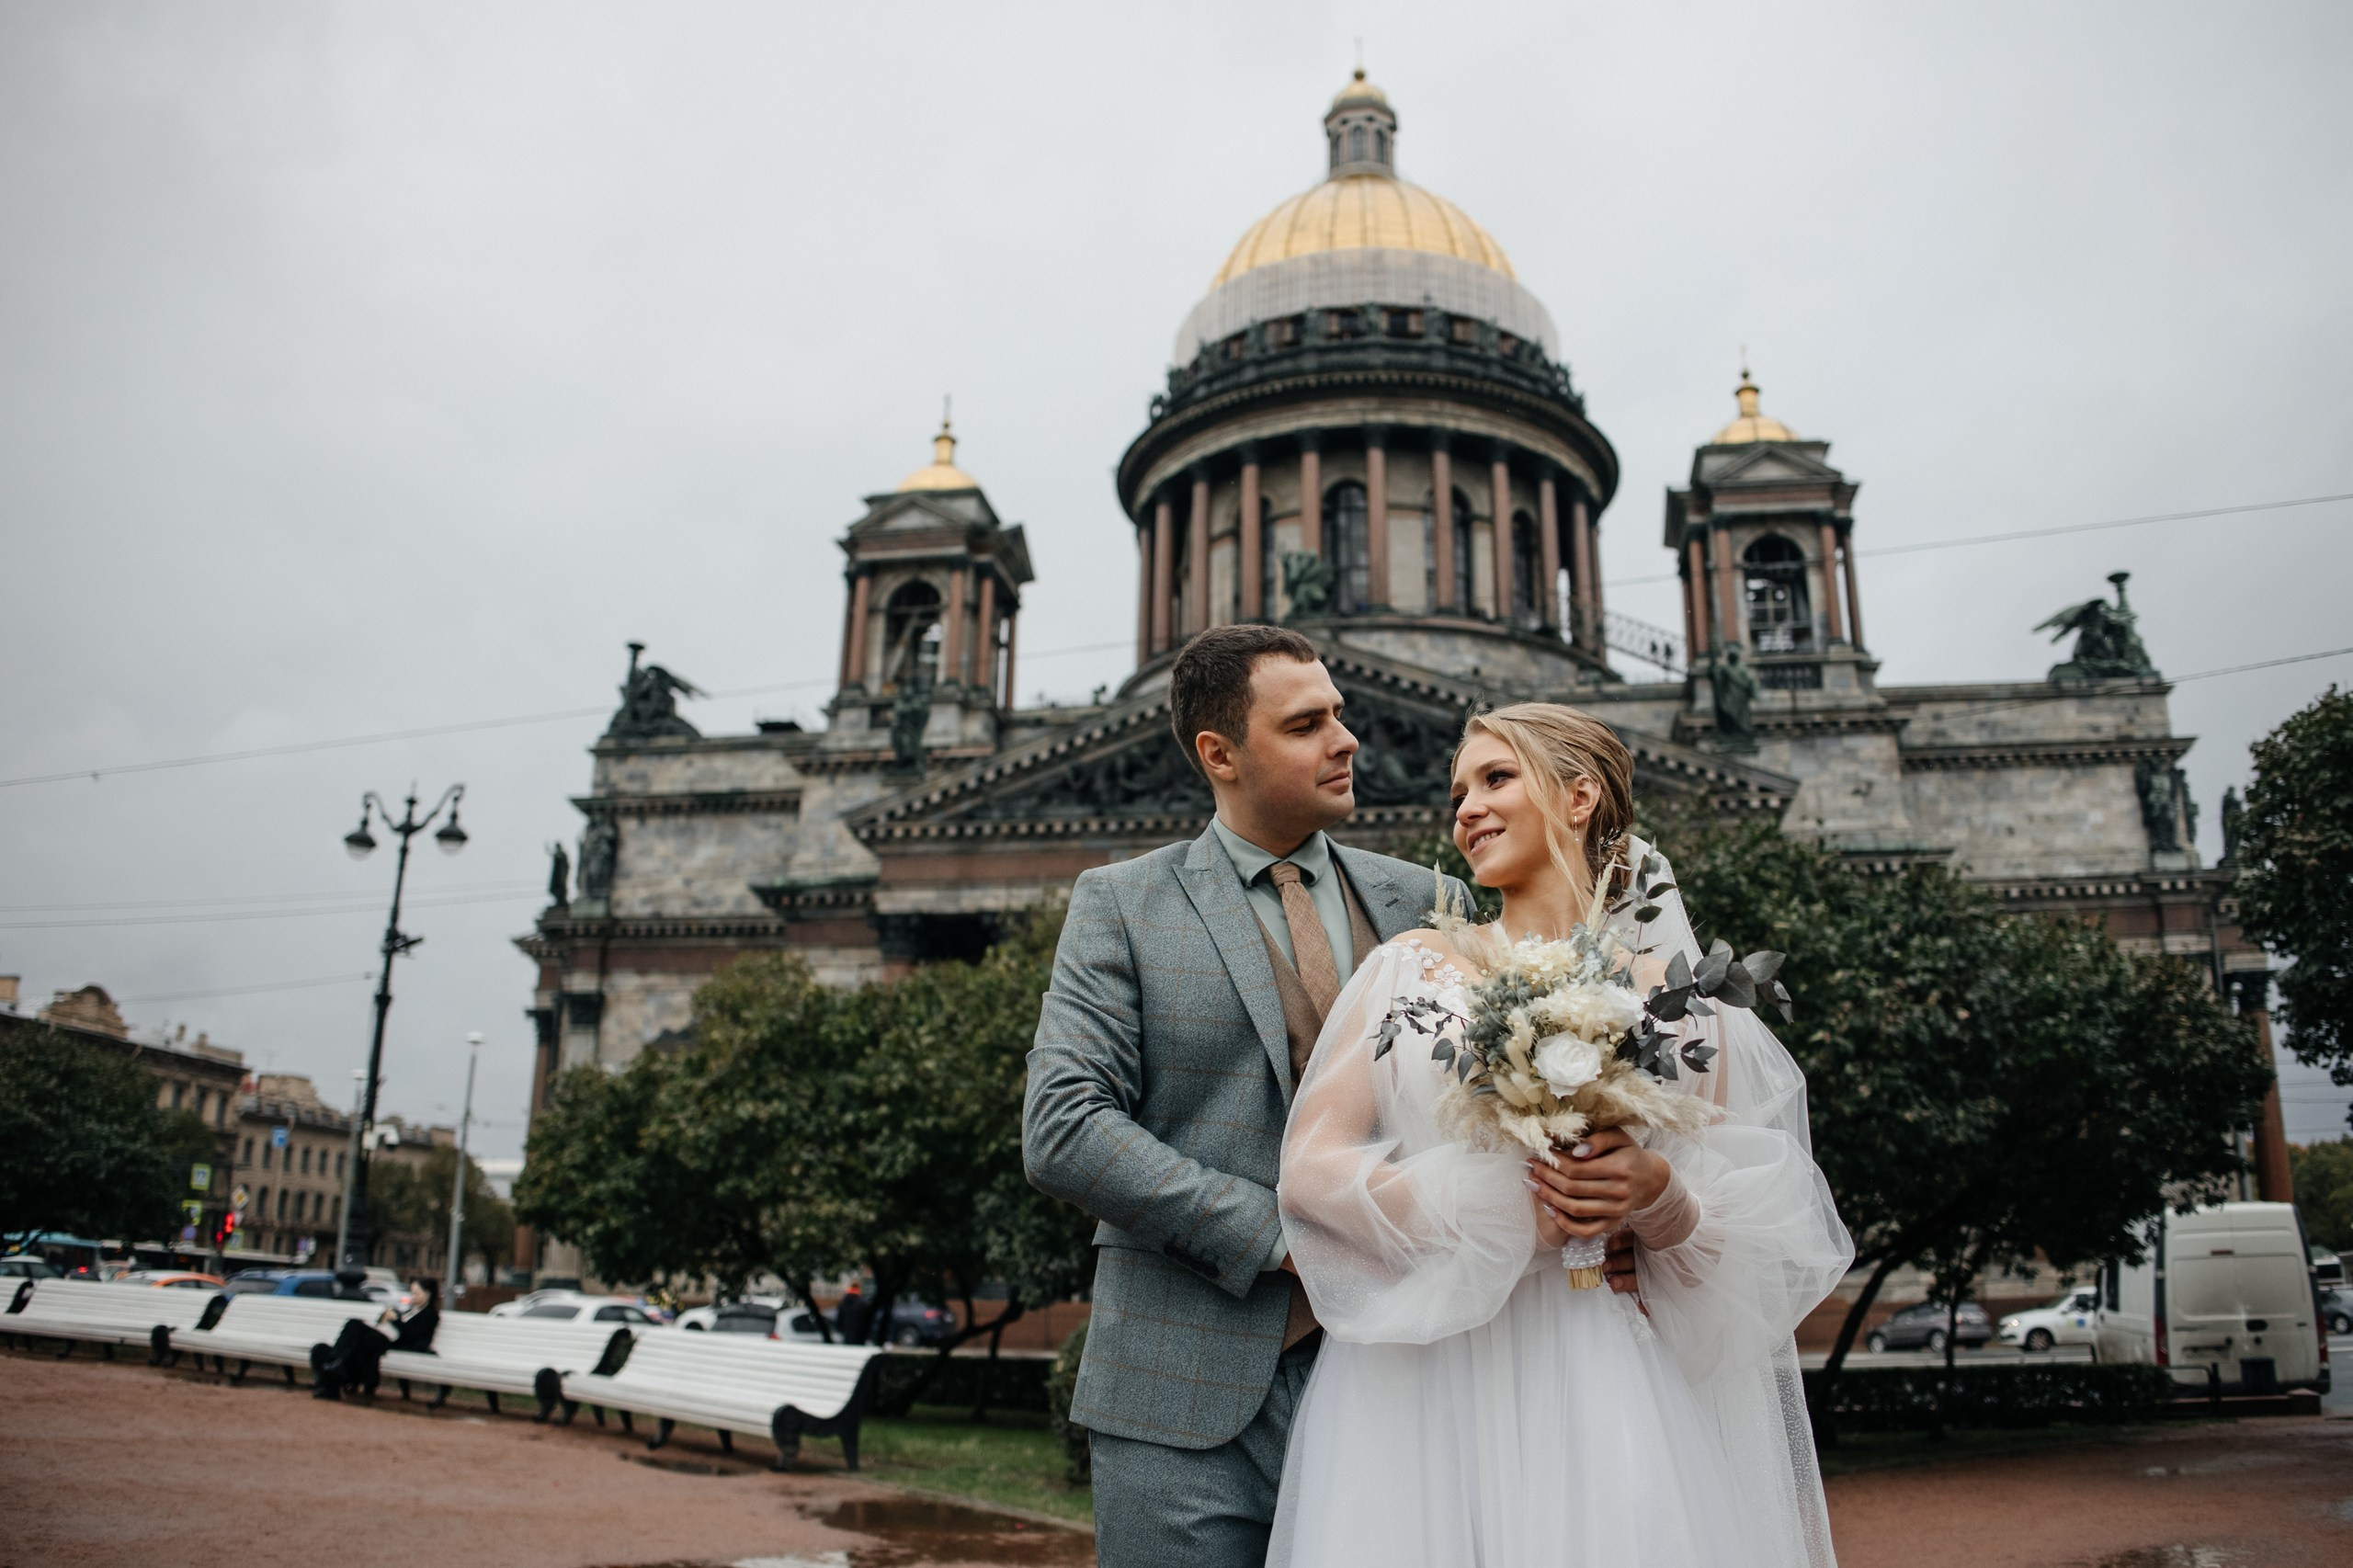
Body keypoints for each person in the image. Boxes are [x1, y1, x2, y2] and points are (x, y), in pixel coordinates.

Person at [1267, 703, 1853, 1567]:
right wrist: (1505, 1212)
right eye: (1459, 789)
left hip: (1604, 1369)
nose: (1465, 807)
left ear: (1580, 798)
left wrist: (1661, 1200)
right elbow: (1312, 1169)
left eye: (1496, 778)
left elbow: (1755, 1233)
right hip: (1429, 1378)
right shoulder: (1409, 967)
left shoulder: (1684, 1006)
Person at [1023, 624, 1473, 1568]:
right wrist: (1280, 1236)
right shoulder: (1121, 902)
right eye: (1307, 722)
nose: (1347, 740)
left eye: (1340, 715)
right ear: (1219, 753)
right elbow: (1065, 1125)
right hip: (1179, 1394)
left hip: (1398, 1376)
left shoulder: (1433, 903)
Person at [313, 1276, 439, 1400]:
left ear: (427, 1294)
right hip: (380, 1338)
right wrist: (385, 1318)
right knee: (350, 1328)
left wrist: (395, 1320)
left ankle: (335, 1362)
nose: (413, 1297)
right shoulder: (411, 1310)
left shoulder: (430, 1315)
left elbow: (413, 1334)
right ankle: (336, 1364)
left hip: (394, 1343)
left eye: (416, 1293)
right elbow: (386, 1324)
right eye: (412, 1293)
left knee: (355, 1328)